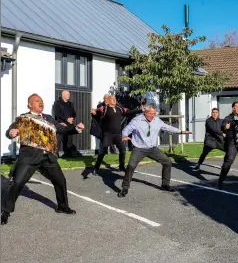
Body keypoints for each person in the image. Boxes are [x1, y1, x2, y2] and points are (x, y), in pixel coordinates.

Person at [1, 94, 85, 225]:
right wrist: (11, 133)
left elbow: (61, 128)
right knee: (16, 183)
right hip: (29, 157)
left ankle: (62, 206)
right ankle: (6, 212)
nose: (40, 103)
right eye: (36, 101)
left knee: (60, 181)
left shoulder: (48, 118)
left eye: (41, 101)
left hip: (48, 158)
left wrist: (75, 129)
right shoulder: (24, 118)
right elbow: (9, 131)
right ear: (30, 105)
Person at [118, 103, 192, 197]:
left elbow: (167, 127)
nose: (153, 116)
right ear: (145, 112)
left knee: (167, 162)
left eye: (154, 113)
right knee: (131, 166)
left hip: (153, 148)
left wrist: (181, 132)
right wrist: (124, 135)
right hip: (139, 149)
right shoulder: (136, 120)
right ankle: (125, 188)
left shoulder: (156, 120)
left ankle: (165, 184)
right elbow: (126, 130)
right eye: (151, 113)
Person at [90, 95, 142, 175]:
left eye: (115, 99)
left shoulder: (120, 108)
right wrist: (93, 113)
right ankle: (96, 168)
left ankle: (121, 167)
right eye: (112, 99)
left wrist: (140, 110)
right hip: (107, 135)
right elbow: (97, 115)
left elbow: (129, 112)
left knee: (123, 150)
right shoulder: (104, 108)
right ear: (109, 100)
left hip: (117, 135)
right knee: (102, 152)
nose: (114, 100)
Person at [52, 90, 79, 158]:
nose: (69, 95)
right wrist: (67, 119)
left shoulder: (70, 104)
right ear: (63, 95)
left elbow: (74, 113)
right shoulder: (57, 103)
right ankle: (55, 154)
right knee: (59, 140)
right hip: (61, 124)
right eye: (67, 94)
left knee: (69, 140)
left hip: (70, 124)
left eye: (69, 94)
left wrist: (72, 118)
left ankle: (68, 154)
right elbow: (58, 114)